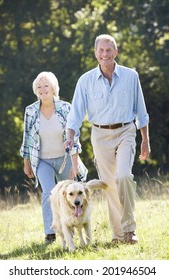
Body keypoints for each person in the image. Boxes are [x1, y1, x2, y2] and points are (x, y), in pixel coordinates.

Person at [64, 34, 151, 244]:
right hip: (100, 135)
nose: (105, 54)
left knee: (123, 177)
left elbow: (141, 110)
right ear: (95, 53)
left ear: (116, 52)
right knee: (109, 185)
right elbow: (75, 113)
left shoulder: (131, 76)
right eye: (101, 50)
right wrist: (70, 137)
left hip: (126, 131)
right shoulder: (85, 81)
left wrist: (145, 139)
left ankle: (129, 229)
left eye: (109, 50)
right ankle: (118, 234)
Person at [20, 71, 87, 243]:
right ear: (36, 90)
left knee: (69, 196)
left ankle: (70, 229)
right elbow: (27, 138)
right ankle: (50, 232)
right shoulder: (31, 111)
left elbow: (75, 138)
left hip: (65, 160)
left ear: (53, 88)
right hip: (42, 161)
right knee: (49, 194)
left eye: (46, 86)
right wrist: (26, 162)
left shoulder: (66, 108)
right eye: (39, 87)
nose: (43, 89)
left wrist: (74, 164)